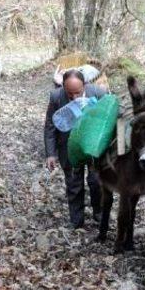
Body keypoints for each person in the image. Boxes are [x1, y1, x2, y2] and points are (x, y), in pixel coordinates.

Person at [44, 69, 106, 229]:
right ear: (63, 87)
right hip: (68, 147)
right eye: (69, 93)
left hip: (93, 146)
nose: (74, 97)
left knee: (96, 181)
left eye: (78, 93)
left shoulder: (98, 93)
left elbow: (109, 117)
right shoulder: (56, 97)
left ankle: (99, 214)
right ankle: (76, 221)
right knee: (73, 184)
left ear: (85, 85)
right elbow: (50, 126)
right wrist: (51, 154)